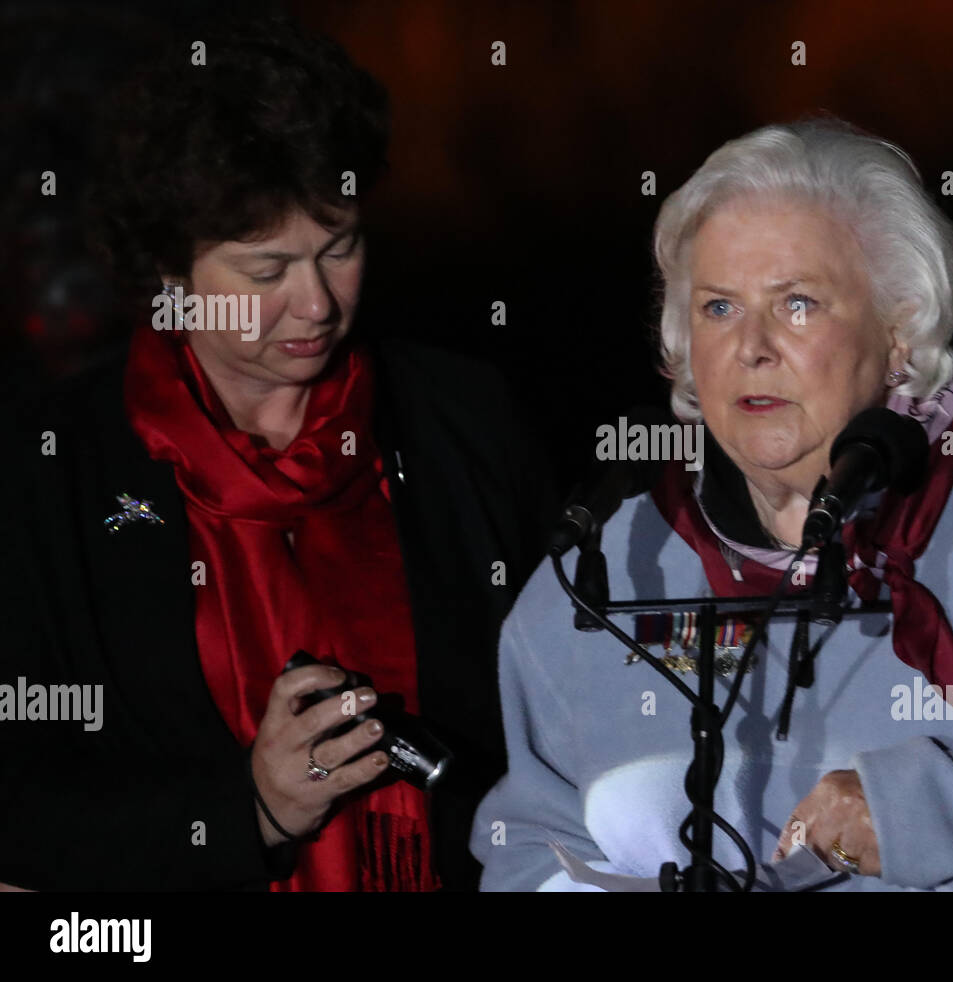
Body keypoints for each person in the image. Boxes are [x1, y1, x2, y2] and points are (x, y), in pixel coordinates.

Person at [470, 117, 953, 891]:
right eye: (718, 307)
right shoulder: (606, 571)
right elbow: (530, 850)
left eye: (797, 303)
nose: (750, 346)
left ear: (900, 331)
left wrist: (922, 817)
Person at [0, 13, 552, 891]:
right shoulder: (53, 467)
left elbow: (555, 725)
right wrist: (248, 812)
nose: (317, 305)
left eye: (341, 249)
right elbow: (26, 808)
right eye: (264, 273)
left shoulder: (461, 419)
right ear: (168, 274)